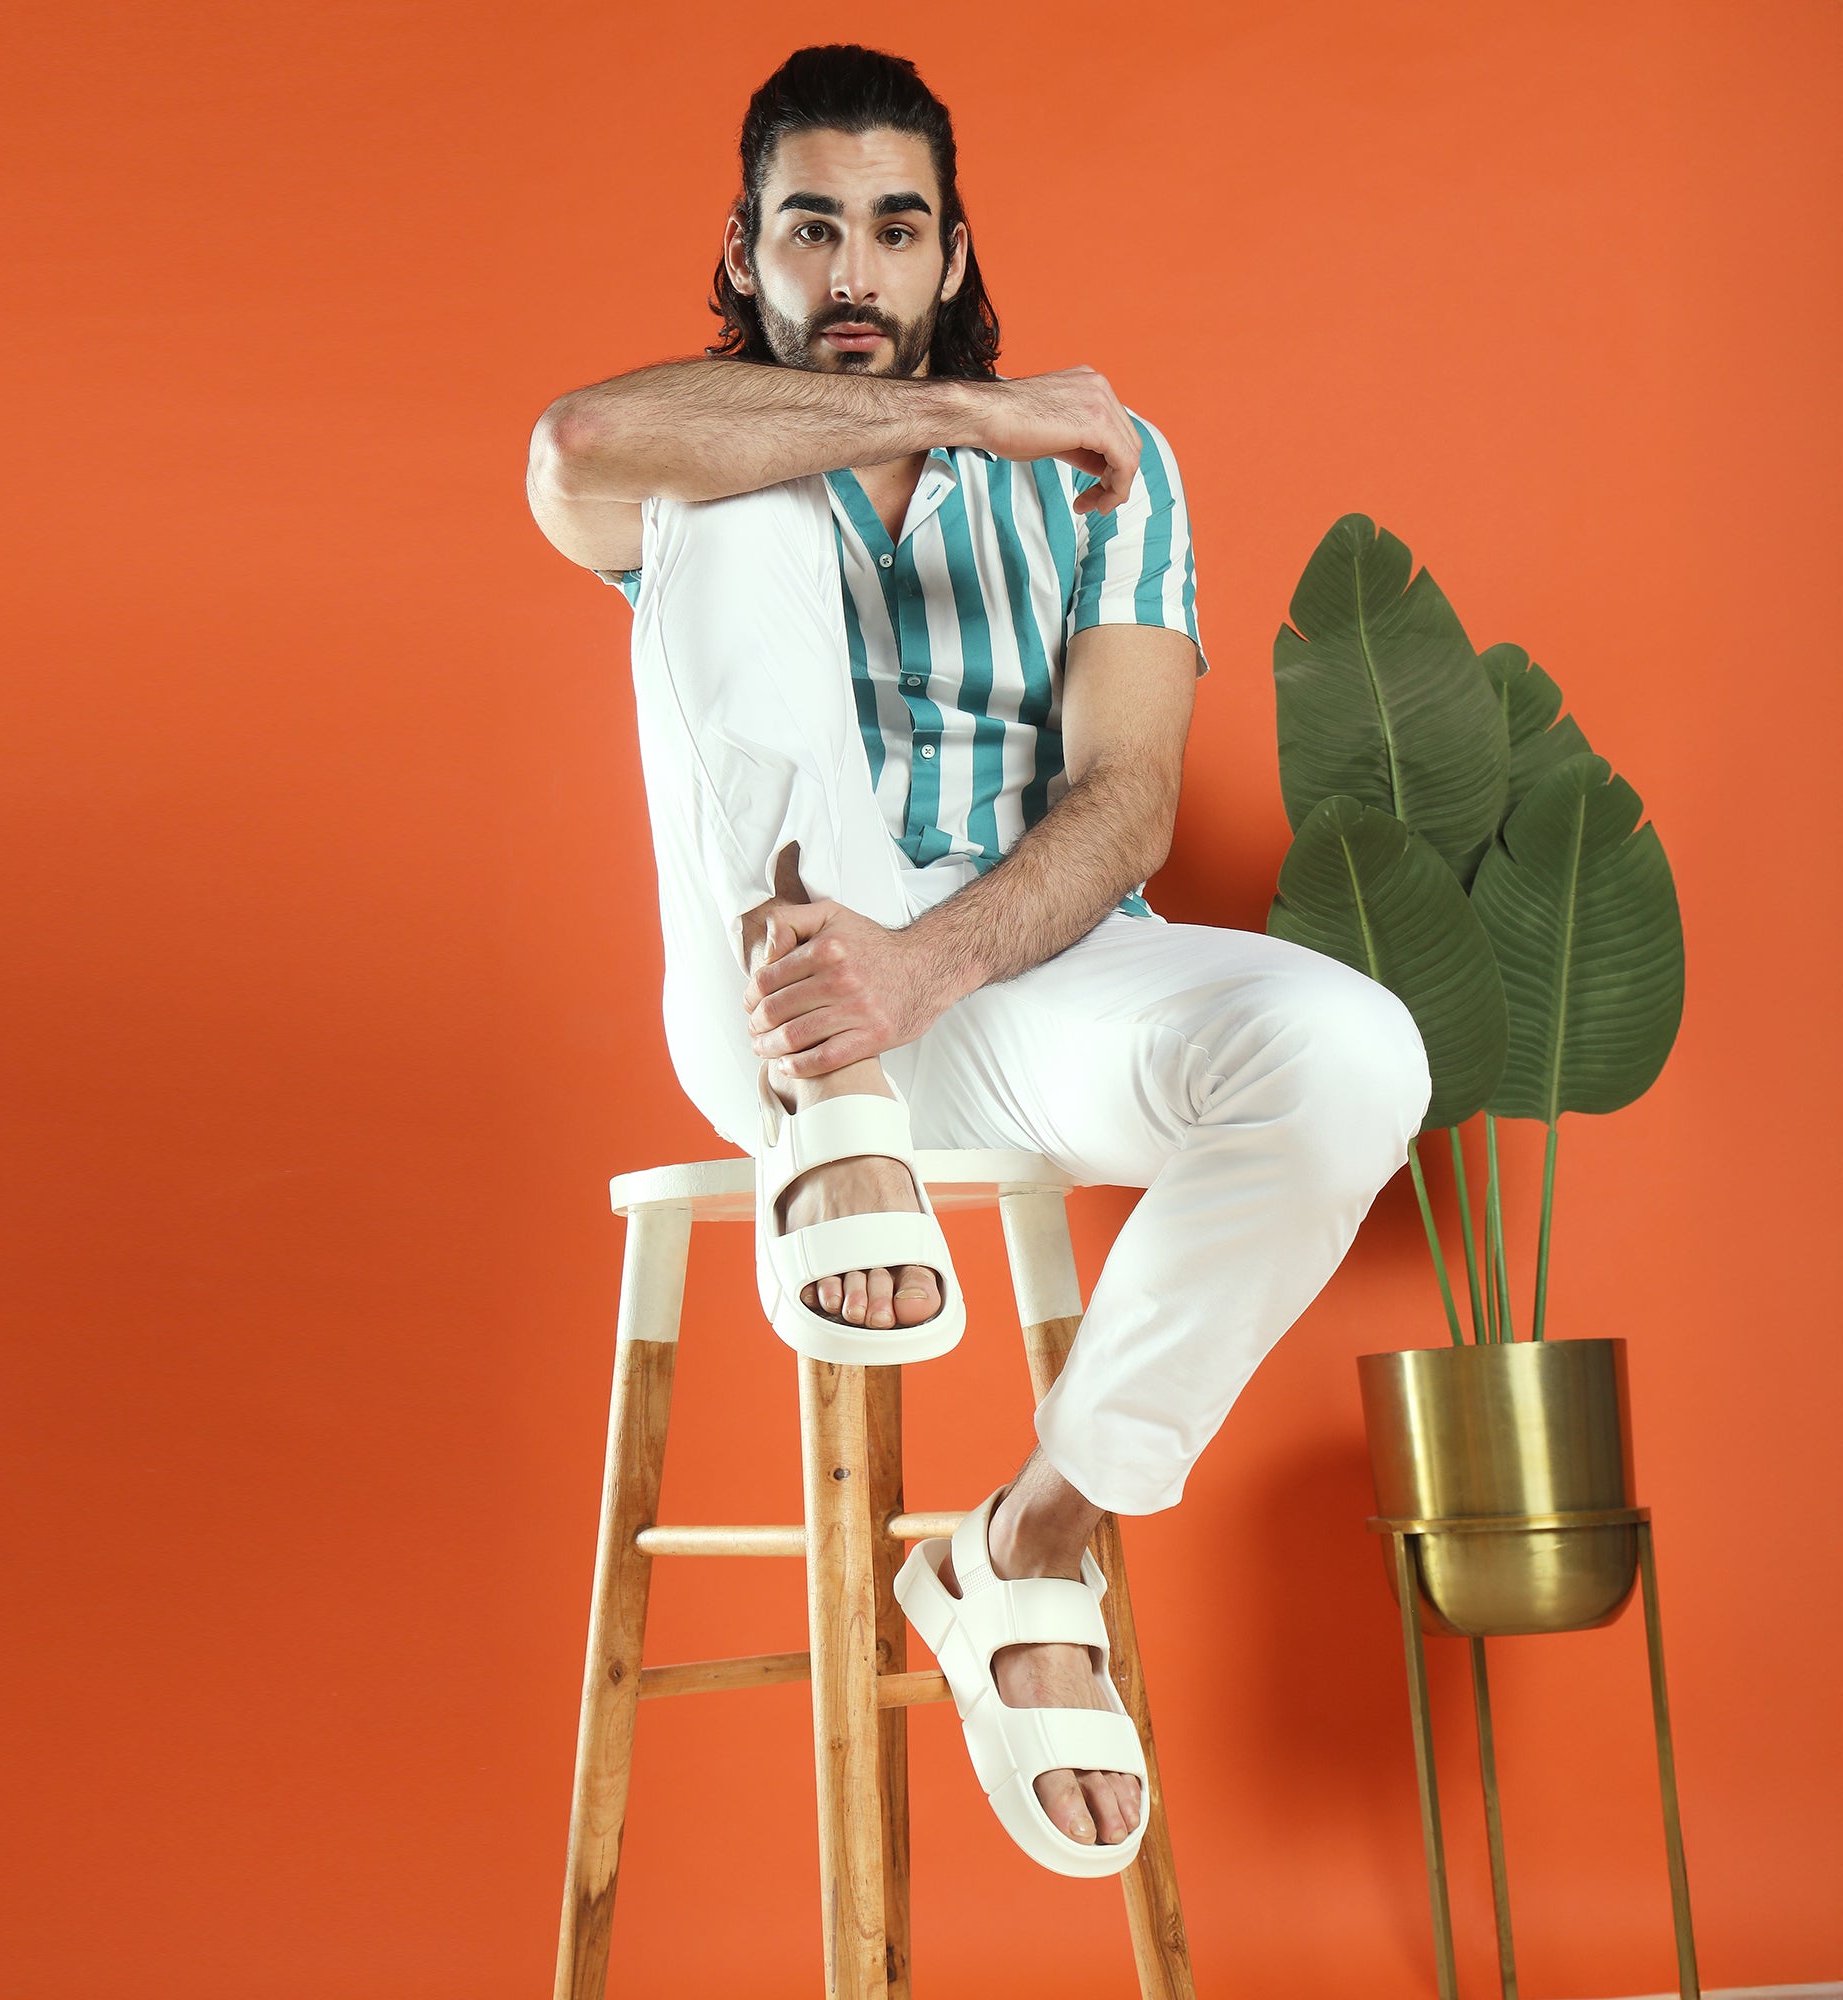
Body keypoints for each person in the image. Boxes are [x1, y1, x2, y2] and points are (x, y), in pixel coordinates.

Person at [526, 43, 1431, 1872]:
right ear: (748, 246)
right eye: (810, 231)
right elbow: (578, 454)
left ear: (949, 252)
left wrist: (922, 971)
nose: (851, 276)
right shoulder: (722, 466)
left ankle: (1023, 1548)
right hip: (778, 1010)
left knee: (1357, 1056)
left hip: (1013, 980)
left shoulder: (1121, 474)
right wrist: (971, 415)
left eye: (892, 229)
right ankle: (835, 1121)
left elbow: (1125, 801)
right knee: (738, 499)